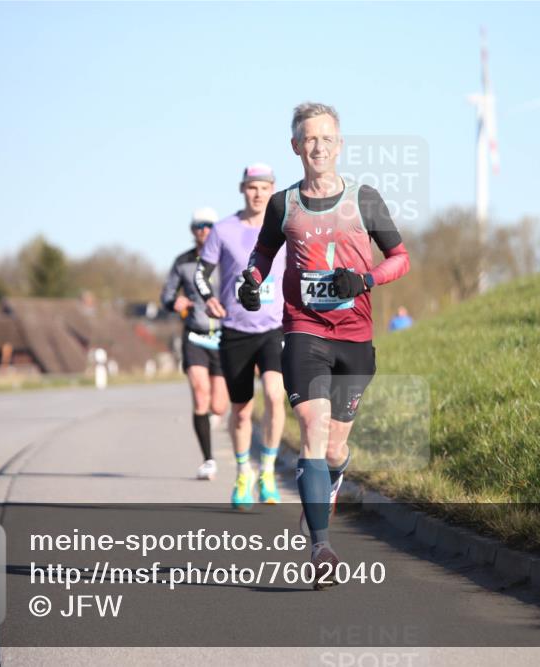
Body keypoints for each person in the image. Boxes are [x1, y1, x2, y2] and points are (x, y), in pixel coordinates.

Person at [238, 103, 410, 588]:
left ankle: (332, 479)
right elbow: (263, 255)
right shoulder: (282, 205)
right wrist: (251, 280)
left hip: (355, 338)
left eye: (326, 139)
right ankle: (322, 548)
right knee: (312, 432)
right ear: (296, 146)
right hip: (303, 331)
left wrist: (365, 280)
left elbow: (400, 258)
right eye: (309, 139)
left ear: (340, 145)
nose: (318, 147)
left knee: (336, 447)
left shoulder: (364, 198)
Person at [193, 164, 287, 510]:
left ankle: (268, 470)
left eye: (264, 187)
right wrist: (208, 299)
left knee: (276, 397)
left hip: (274, 326)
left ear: (273, 189)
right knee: (242, 410)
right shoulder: (223, 230)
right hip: (236, 329)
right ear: (242, 189)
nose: (258, 193)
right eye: (252, 187)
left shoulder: (283, 227)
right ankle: (244, 472)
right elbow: (202, 275)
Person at [160, 207, 229, 481]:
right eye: (198, 226)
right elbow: (166, 295)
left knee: (220, 406)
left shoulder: (227, 258)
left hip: (224, 339)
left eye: (208, 226)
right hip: (195, 335)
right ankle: (208, 460)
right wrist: (173, 303)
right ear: (192, 231)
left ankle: (214, 420)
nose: (203, 231)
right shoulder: (182, 262)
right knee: (200, 394)